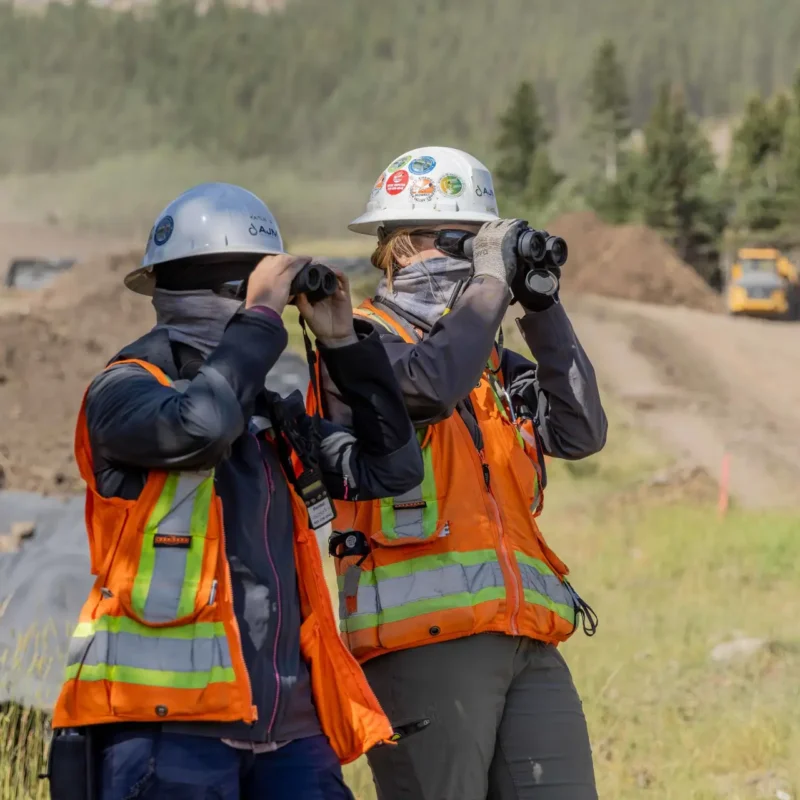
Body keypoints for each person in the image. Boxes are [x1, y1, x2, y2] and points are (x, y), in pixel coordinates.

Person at [47, 182, 425, 800]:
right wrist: (262, 316)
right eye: (263, 294)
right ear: (236, 296)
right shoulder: (123, 390)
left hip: (290, 728)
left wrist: (342, 345)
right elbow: (202, 427)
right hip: (170, 729)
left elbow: (390, 470)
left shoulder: (267, 411)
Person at [312, 148, 608, 800]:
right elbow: (427, 390)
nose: (476, 257)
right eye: (462, 242)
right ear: (401, 245)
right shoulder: (359, 341)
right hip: (422, 642)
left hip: (525, 634)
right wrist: (489, 288)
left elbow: (582, 431)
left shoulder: (491, 364)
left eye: (484, 244)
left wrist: (540, 305)